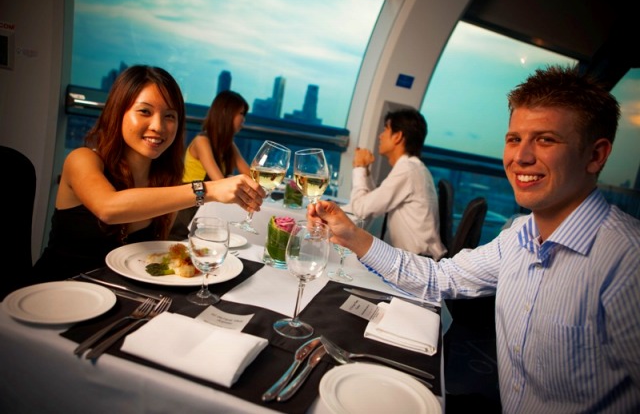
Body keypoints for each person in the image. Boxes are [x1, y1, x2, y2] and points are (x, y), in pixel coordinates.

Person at [309, 65, 640, 413]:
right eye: (514, 139)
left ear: (595, 155)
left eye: (545, 139)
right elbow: (439, 278)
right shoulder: (518, 236)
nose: (521, 157)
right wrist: (353, 236)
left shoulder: (627, 263)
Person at [33, 65, 265, 282]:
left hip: (122, 296)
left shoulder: (164, 180)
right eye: (145, 111)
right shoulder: (82, 159)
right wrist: (205, 189)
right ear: (118, 112)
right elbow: (108, 208)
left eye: (169, 116)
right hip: (55, 292)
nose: (158, 126)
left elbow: (154, 255)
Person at [344, 108, 447, 259]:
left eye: (385, 130)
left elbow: (361, 209)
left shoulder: (408, 170)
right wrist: (365, 170)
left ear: (397, 136)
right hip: (416, 257)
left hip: (417, 260)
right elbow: (375, 202)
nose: (380, 136)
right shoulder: (413, 168)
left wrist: (358, 166)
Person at [170, 90, 252, 239]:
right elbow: (219, 182)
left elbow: (249, 174)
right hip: (190, 208)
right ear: (226, 113)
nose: (243, 120)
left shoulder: (228, 146)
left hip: (208, 206)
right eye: (241, 113)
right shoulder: (202, 141)